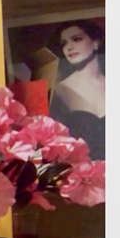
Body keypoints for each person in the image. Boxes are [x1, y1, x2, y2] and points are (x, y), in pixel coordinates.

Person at [48, 20, 105, 160]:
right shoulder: (58, 91)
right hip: (83, 170)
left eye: (77, 39)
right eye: (64, 44)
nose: (69, 47)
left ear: (96, 43)